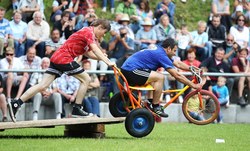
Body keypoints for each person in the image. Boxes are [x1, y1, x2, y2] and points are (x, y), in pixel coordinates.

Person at [8, 19, 115, 122]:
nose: (104, 35)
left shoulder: (89, 35)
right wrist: (107, 61)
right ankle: (77, 109)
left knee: (42, 85)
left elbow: (89, 53)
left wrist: (102, 57)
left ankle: (16, 103)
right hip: (64, 58)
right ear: (100, 27)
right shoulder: (88, 31)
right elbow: (96, 49)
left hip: (57, 58)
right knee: (86, 79)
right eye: (104, 32)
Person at [120, 38, 202, 117]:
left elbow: (177, 63)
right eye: (174, 51)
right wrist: (192, 85)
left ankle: (149, 102)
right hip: (130, 71)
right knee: (160, 77)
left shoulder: (160, 51)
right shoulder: (161, 55)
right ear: (169, 49)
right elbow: (177, 75)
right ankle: (156, 106)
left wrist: (190, 68)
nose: (174, 54)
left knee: (155, 76)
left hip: (127, 69)